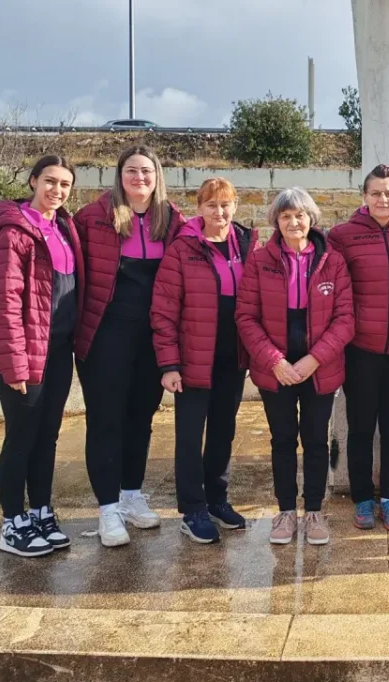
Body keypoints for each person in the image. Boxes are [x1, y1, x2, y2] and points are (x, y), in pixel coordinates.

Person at [0, 155, 84, 557]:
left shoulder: (65, 228)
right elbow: (3, 302)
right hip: (25, 350)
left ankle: (40, 511)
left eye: (65, 184)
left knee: (47, 435)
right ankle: (12, 522)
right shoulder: (15, 232)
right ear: (33, 181)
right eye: (50, 181)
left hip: (59, 349)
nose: (57, 190)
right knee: (21, 436)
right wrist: (14, 364)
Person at [74, 145, 185, 547]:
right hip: (106, 334)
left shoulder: (172, 220)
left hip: (151, 336)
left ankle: (131, 495)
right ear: (120, 176)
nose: (140, 178)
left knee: (141, 417)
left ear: (158, 177)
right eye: (131, 171)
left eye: (147, 171)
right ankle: (107, 509)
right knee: (106, 420)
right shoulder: (92, 217)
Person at [236, 187, 354, 546]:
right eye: (285, 216)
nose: (293, 222)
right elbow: (246, 317)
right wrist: (274, 361)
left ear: (310, 218)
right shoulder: (260, 260)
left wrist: (314, 358)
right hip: (276, 371)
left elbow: (345, 319)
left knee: (316, 440)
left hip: (319, 369)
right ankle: (286, 511)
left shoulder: (333, 261)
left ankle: (314, 511)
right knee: (283, 440)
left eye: (299, 215)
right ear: (276, 221)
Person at [151, 178, 252, 544]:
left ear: (235, 206)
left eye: (225, 204)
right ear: (199, 208)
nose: (219, 212)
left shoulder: (247, 244)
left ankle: (217, 500)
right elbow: (163, 309)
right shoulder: (183, 248)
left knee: (224, 431)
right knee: (190, 436)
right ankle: (193, 509)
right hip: (193, 358)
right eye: (211, 205)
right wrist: (169, 364)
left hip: (232, 358)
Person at [327, 164, 389, 532]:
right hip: (360, 350)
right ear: (364, 196)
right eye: (376, 193)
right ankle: (363, 498)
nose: (383, 199)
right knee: (361, 428)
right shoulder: (343, 237)